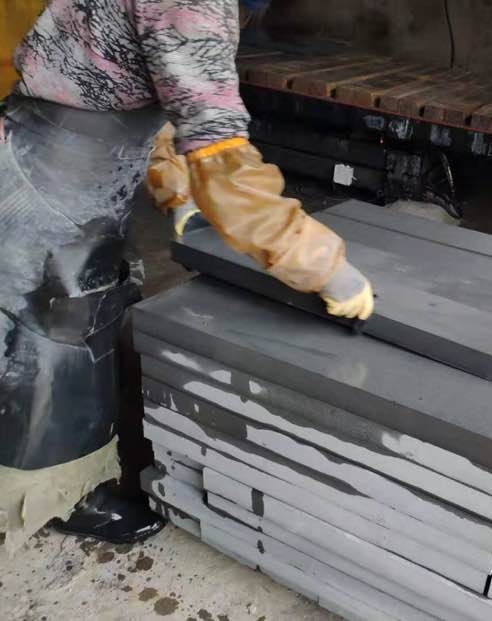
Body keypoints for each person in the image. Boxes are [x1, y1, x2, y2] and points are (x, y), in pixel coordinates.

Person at [0, 0, 373, 553]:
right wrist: (325, 267)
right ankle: (59, 495)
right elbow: (227, 170)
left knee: (51, 311)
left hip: (47, 148)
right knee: (56, 335)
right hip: (51, 180)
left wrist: (177, 189)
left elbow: (139, 86)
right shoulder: (190, 4)